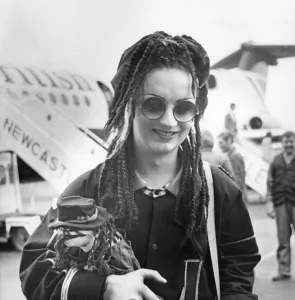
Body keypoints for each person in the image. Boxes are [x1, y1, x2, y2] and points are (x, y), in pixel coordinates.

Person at [19, 32, 260, 300]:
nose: (169, 122)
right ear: (129, 107)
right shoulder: (88, 190)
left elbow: (238, 276)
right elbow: (35, 269)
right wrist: (102, 287)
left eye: (183, 108)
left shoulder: (218, 192)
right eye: (153, 104)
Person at [265, 131, 295, 281]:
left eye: (291, 141)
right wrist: (269, 202)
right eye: (286, 141)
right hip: (280, 202)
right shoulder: (276, 161)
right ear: (282, 143)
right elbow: (270, 182)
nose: (289, 144)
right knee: (283, 237)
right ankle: (283, 270)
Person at [218, 131, 248, 203]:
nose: (219, 146)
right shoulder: (231, 155)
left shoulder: (234, 157)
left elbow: (238, 179)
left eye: (221, 143)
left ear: (228, 141)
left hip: (238, 197)